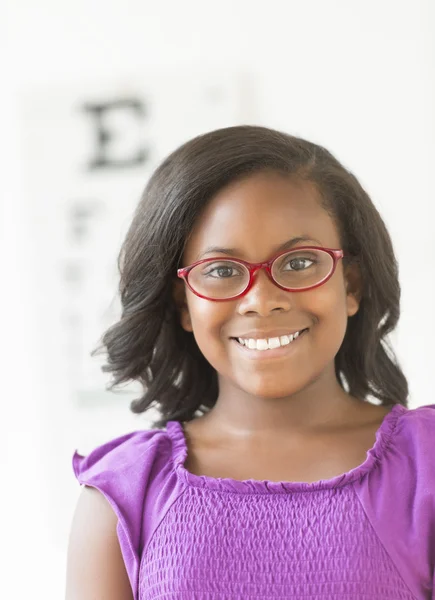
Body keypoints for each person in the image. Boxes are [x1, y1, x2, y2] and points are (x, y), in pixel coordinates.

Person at [65, 125, 435, 600]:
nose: (262, 300)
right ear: (183, 304)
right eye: (221, 271)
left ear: (352, 286)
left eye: (300, 262)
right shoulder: (124, 498)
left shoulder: (426, 467)